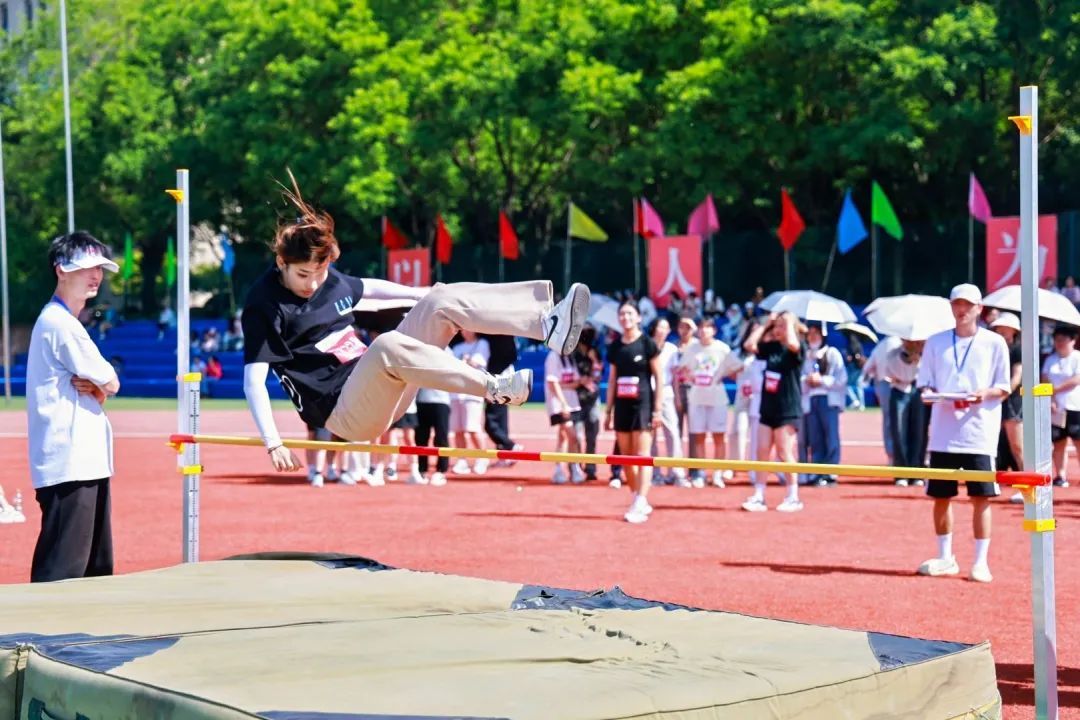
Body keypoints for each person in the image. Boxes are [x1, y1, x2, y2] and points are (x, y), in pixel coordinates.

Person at [241, 174, 591, 474]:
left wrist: (421, 294)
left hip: (383, 385)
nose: (313, 284)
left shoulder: (327, 279)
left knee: (441, 299)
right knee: (386, 345)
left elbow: (369, 288)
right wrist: (273, 442)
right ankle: (495, 388)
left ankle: (546, 324)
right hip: (345, 412)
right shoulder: (264, 305)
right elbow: (254, 381)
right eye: (303, 275)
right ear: (281, 263)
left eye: (319, 273)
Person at [27, 232, 121, 582]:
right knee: (63, 571)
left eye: (99, 268)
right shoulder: (60, 324)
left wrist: (100, 388)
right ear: (61, 270)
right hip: (70, 464)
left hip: (84, 462)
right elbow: (111, 380)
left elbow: (104, 385)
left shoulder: (64, 322)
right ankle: (39, 620)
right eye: (86, 267)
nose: (95, 275)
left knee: (93, 570)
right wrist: (102, 387)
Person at [916, 283, 1009, 584]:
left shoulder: (994, 343)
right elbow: (924, 384)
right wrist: (932, 394)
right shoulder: (936, 342)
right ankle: (945, 557)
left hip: (978, 433)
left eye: (968, 304)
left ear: (979, 308)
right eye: (957, 303)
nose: (962, 309)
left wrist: (983, 393)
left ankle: (980, 562)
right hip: (943, 433)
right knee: (940, 496)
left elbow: (1003, 386)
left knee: (981, 497)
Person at [741, 311, 805, 513]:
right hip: (768, 407)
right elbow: (749, 345)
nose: (778, 330)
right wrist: (765, 325)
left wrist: (789, 322)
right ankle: (759, 495)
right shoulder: (771, 348)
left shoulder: (796, 348)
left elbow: (793, 344)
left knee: (784, 452)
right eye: (777, 326)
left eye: (782, 326)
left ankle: (793, 496)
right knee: (762, 451)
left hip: (787, 408)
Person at [604, 301, 662, 523]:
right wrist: (608, 411)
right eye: (622, 314)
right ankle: (638, 497)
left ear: (638, 317)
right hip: (622, 406)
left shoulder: (647, 344)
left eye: (630, 313)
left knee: (642, 455)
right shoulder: (615, 347)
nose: (625, 317)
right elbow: (612, 380)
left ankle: (640, 500)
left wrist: (657, 410)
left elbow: (659, 377)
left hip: (643, 405)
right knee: (626, 458)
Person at [678, 317, 742, 488]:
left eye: (707, 327)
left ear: (714, 330)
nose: (704, 331)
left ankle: (717, 474)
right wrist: (690, 377)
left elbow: (738, 366)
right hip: (696, 398)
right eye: (701, 327)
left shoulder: (722, 348)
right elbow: (681, 368)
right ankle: (700, 474)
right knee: (698, 437)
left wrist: (722, 375)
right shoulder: (692, 349)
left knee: (718, 436)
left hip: (717, 398)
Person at [798, 322, 847, 485]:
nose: (812, 337)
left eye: (816, 333)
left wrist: (822, 380)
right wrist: (808, 380)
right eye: (810, 334)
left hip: (828, 399)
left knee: (831, 436)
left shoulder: (832, 353)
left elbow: (841, 379)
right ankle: (817, 471)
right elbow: (800, 378)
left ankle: (831, 471)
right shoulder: (805, 356)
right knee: (815, 438)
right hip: (811, 399)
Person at [880, 338, 927, 487]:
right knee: (899, 432)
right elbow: (890, 373)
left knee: (919, 432)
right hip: (899, 391)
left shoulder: (926, 354)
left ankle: (918, 471)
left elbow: (930, 373)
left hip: (918, 391)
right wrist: (906, 360)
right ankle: (902, 472)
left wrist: (918, 360)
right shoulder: (893, 354)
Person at [990, 314, 1024, 504]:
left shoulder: (1017, 350)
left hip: (1012, 400)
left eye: (1005, 328)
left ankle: (1027, 486)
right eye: (999, 328)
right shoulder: (994, 349)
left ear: (1014, 331)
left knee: (1017, 445)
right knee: (996, 443)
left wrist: (1003, 393)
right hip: (996, 399)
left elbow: (1017, 376)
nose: (1001, 331)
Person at [1041, 324, 1080, 488]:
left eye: (1063, 340)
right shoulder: (1051, 359)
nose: (1060, 343)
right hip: (1056, 407)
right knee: (1058, 442)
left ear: (1072, 341)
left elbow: (1076, 379)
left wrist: (1055, 390)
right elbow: (1044, 378)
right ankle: (1060, 475)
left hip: (1075, 406)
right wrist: (1051, 397)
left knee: (1078, 442)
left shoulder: (1077, 357)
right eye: (1057, 340)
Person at [649, 317, 686, 486]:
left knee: (672, 433)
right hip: (648, 392)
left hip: (666, 391)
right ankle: (654, 473)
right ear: (654, 328)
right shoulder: (646, 345)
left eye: (666, 328)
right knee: (650, 435)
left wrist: (677, 397)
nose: (663, 331)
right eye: (660, 327)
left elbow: (675, 376)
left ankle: (676, 472)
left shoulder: (671, 349)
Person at [449, 330, 491, 476]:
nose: (465, 331)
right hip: (456, 393)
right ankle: (462, 460)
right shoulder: (456, 348)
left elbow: (478, 364)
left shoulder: (482, 344)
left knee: (472, 428)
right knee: (458, 430)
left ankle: (482, 458)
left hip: (472, 393)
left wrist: (466, 361)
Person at [544, 346, 584, 484]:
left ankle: (560, 469)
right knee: (573, 436)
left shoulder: (570, 358)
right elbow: (552, 383)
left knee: (563, 437)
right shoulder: (553, 357)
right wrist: (563, 403)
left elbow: (577, 382)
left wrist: (563, 385)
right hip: (559, 404)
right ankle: (573, 467)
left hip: (572, 403)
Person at [482, 334, 524, 459]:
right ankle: (505, 454)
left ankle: (511, 446)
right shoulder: (503, 346)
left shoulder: (501, 349)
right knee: (501, 421)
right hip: (501, 381)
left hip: (499, 383)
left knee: (491, 423)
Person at [862, 335, 902, 463]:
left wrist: (875, 374)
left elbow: (867, 368)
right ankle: (901, 454)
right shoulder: (901, 343)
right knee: (902, 420)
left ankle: (891, 455)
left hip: (884, 384)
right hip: (901, 383)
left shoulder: (880, 346)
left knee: (888, 420)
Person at [572, 325, 603, 481]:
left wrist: (594, 360)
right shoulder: (571, 353)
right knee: (576, 435)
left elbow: (599, 374)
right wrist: (579, 380)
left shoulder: (595, 352)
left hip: (592, 398)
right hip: (575, 397)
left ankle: (590, 467)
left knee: (592, 434)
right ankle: (576, 467)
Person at [416, 373, 452, 486]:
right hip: (421, 401)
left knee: (441, 438)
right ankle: (422, 470)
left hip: (441, 402)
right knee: (421, 438)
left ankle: (441, 470)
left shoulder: (448, 360)